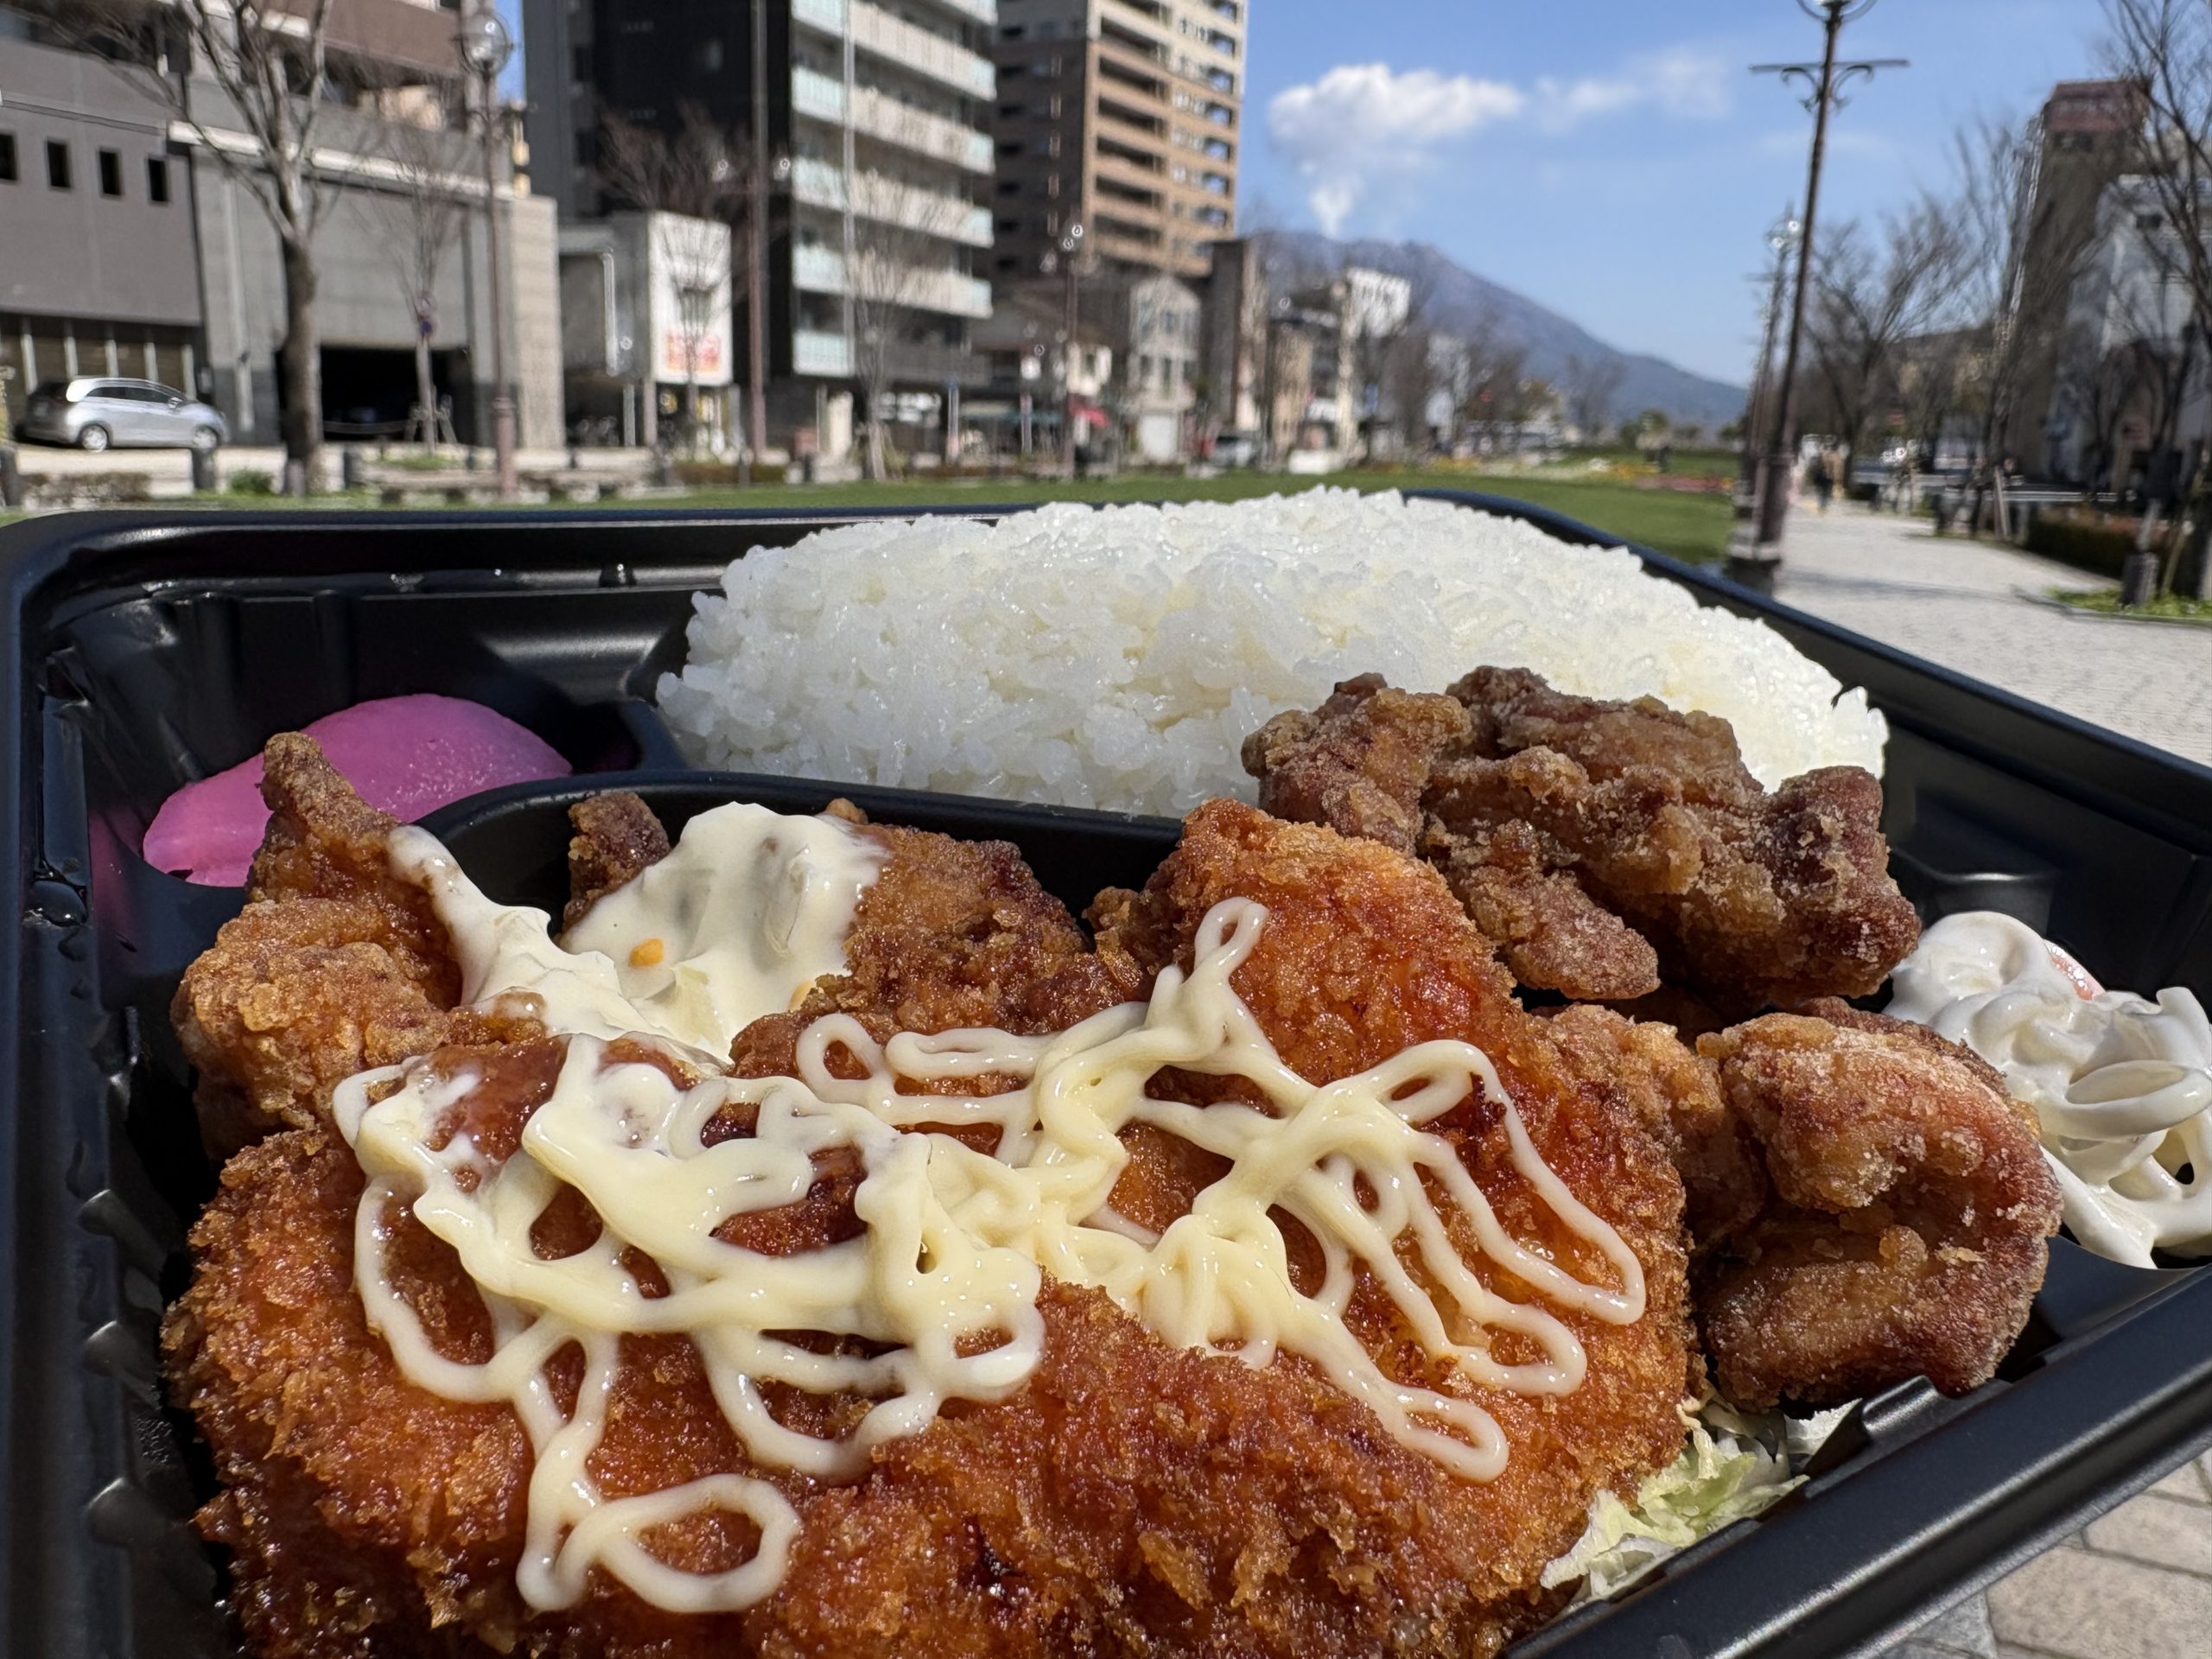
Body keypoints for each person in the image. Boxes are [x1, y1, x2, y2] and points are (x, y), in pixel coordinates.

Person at [1808, 448, 1834, 513]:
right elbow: (1816, 476)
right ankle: (1822, 507)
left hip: (1825, 485)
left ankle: (1823, 507)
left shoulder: (1828, 467)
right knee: (1822, 496)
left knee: (1824, 496)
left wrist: (1830, 483)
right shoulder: (1819, 467)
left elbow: (1830, 478)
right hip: (1822, 484)